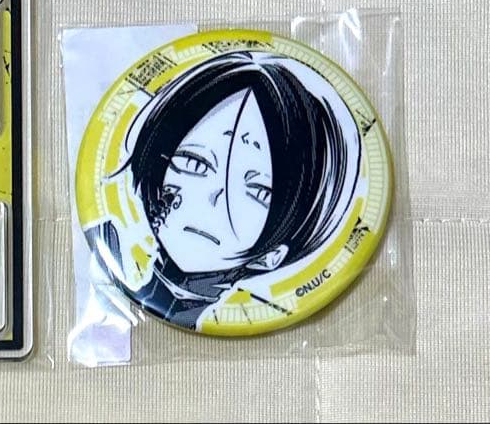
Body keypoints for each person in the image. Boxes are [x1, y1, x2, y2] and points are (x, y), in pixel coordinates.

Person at [101, 52, 360, 330]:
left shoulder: (232, 313)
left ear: (273, 255)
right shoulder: (106, 244)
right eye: (195, 163)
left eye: (259, 192)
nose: (214, 197)